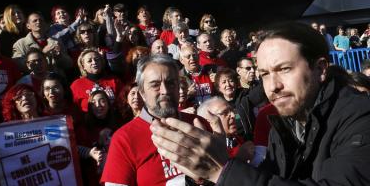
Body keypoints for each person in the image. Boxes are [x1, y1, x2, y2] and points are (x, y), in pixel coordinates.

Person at [150, 22, 370, 185]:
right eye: (264, 74)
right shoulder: (283, 126)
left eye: (284, 69)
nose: (273, 85)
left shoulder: (360, 117)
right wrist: (205, 177)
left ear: (320, 69)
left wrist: (222, 171)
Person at [101, 54, 210, 185]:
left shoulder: (198, 124)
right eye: (155, 85)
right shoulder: (124, 139)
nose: (165, 91)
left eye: (171, 83)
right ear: (142, 92)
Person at [197, 97, 254, 161]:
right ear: (208, 121)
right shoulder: (207, 151)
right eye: (225, 113)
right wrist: (240, 157)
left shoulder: (237, 140)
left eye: (232, 111)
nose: (233, 115)